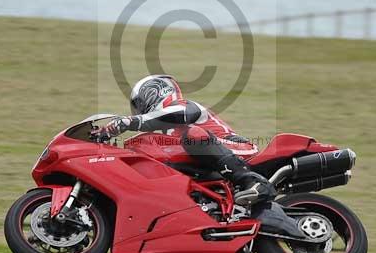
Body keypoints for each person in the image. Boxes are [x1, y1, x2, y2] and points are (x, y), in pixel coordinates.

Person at [91, 74, 305, 237]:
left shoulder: (182, 108)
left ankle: (250, 182)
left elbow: (176, 116)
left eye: (138, 105)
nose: (138, 111)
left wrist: (128, 122)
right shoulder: (164, 131)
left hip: (238, 150)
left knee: (193, 136)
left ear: (153, 93)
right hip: (212, 165)